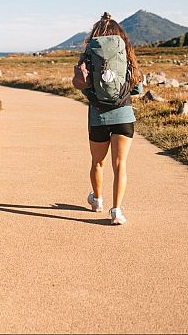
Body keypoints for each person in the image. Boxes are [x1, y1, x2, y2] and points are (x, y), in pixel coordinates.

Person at [76, 12, 142, 225]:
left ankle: (97, 200)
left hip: (98, 117)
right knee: (120, 164)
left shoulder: (88, 54)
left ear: (96, 33)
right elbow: (137, 88)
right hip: (124, 115)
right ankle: (116, 211)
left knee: (98, 162)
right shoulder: (126, 52)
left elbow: (82, 86)